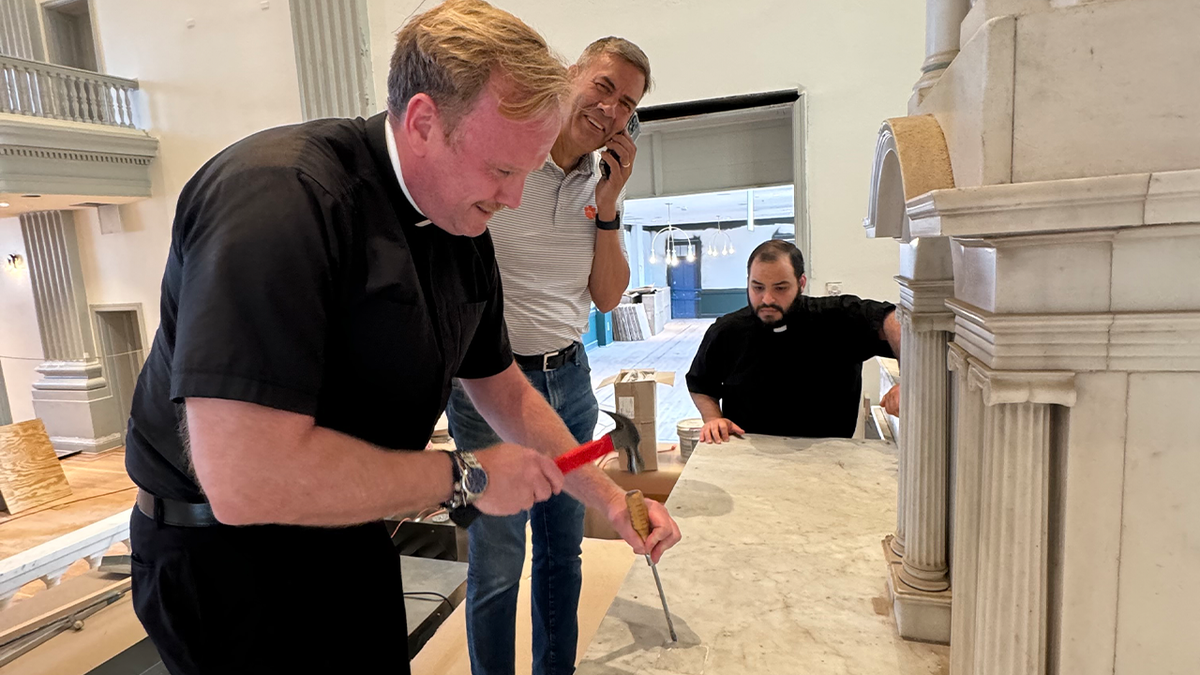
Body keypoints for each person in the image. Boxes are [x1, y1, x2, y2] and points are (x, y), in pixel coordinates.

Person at [123, 3, 680, 673]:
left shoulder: (459, 224)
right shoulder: (280, 199)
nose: (512, 197)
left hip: (348, 530)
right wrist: (466, 475)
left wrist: (613, 499)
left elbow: (504, 386)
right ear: (422, 121)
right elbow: (245, 477)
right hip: (224, 558)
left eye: (526, 173)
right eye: (502, 170)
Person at [443, 37, 650, 675]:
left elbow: (609, 297)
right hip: (487, 393)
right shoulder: (509, 162)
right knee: (497, 560)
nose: (611, 108)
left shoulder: (601, 182)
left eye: (628, 103)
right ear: (570, 76)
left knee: (564, 550)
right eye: (604, 86)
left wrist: (609, 208)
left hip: (571, 385)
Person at [686, 240, 902, 444]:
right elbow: (701, 383)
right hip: (747, 455)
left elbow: (892, 319)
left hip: (830, 458)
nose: (767, 299)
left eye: (780, 288)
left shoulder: (838, 318)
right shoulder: (727, 331)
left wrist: (910, 383)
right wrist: (713, 418)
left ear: (801, 283)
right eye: (757, 287)